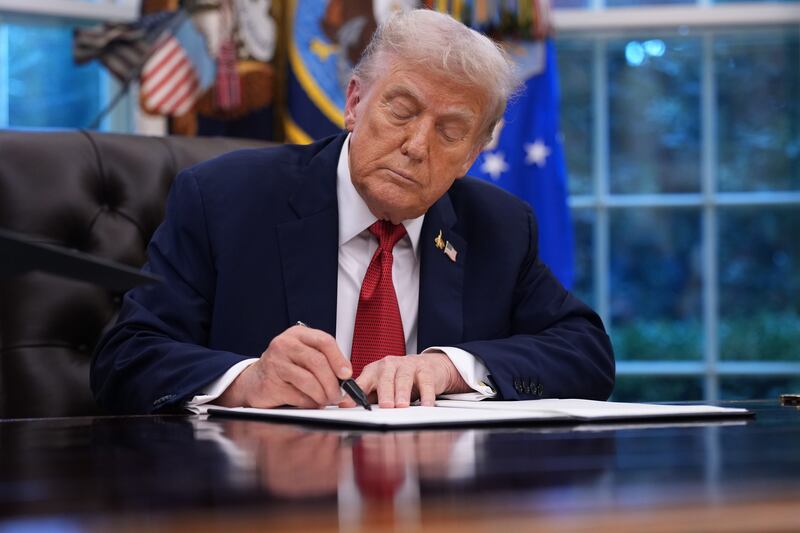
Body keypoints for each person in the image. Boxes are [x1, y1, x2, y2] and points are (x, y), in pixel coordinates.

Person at [91, 9, 614, 414]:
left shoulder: (497, 226)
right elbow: (126, 358)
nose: (415, 145)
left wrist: (453, 367)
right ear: (354, 103)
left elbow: (586, 352)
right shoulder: (224, 200)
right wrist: (245, 381)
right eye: (401, 111)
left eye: (449, 132)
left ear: (471, 157)